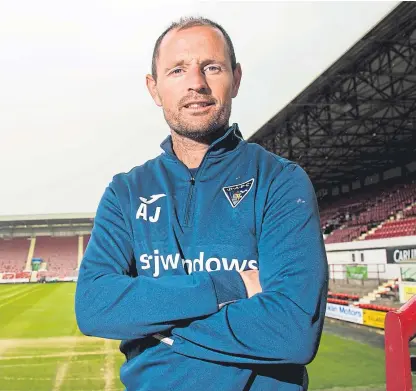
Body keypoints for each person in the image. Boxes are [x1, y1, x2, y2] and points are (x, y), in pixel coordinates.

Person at [75, 16, 328, 391]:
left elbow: (292, 329)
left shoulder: (280, 180)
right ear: (154, 88)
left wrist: (155, 326)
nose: (196, 83)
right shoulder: (125, 191)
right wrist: (229, 287)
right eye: (177, 70)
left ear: (236, 78)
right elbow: (95, 306)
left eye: (212, 67)